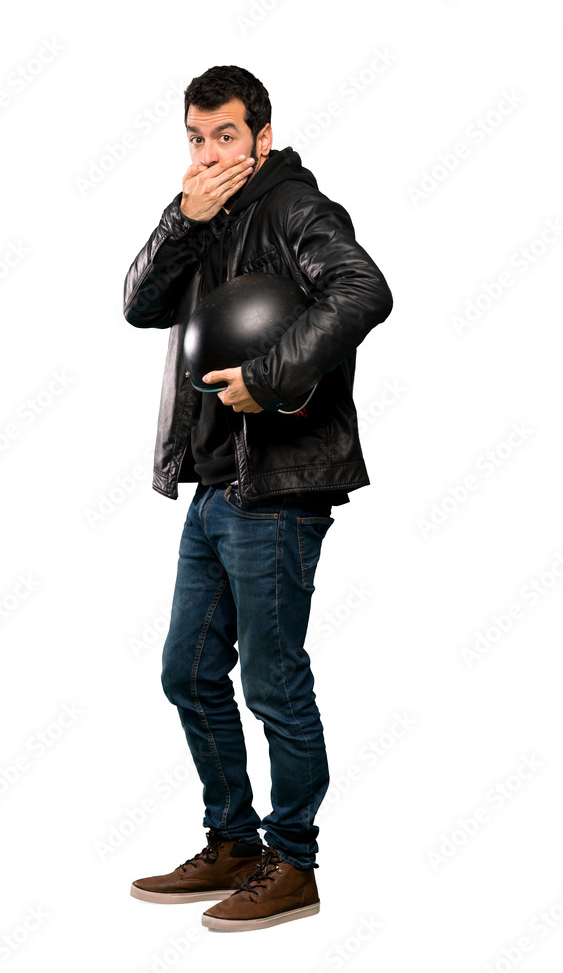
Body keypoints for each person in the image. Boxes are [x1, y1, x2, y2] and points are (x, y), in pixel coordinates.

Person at [123, 65, 393, 932]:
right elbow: (138, 306)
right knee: (188, 672)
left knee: (273, 683)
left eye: (226, 136)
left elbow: (363, 290)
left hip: (278, 487)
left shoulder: (295, 209)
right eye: (195, 138)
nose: (208, 154)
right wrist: (181, 218)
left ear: (261, 138)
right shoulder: (203, 218)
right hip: (215, 484)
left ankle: (294, 863)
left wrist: (270, 378)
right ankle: (233, 842)